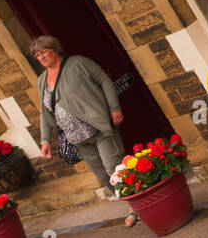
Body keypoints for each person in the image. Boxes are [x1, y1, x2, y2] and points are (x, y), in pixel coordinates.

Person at [32, 36, 136, 226]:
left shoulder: (78, 63)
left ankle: (136, 206)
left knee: (113, 167)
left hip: (98, 128)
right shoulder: (41, 81)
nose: (41, 57)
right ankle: (133, 202)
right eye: (37, 55)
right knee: (104, 177)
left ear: (55, 49)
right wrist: (45, 140)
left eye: (44, 51)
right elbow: (44, 111)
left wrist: (114, 108)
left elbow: (103, 80)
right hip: (77, 139)